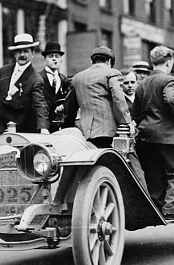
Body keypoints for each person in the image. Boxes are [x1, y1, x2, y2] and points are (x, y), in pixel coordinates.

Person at [63, 46, 148, 191]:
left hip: (88, 136)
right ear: (109, 61)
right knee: (135, 170)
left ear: (93, 61)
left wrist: (68, 127)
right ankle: (145, 207)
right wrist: (127, 124)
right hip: (111, 133)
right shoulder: (111, 73)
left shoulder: (78, 78)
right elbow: (118, 99)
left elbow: (69, 108)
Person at [132, 46, 174, 221]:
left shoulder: (142, 84)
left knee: (153, 172)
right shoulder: (167, 80)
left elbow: (136, 113)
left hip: (146, 136)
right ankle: (169, 210)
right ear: (169, 61)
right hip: (168, 136)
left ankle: (156, 208)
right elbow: (171, 99)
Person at [0, 33, 50, 141]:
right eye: (19, 52)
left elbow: (40, 105)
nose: (22, 55)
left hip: (16, 133)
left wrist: (43, 127)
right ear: (14, 54)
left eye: (26, 51)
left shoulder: (35, 79)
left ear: (32, 53)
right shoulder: (3, 71)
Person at [38, 41, 69, 131]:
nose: (54, 59)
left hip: (58, 125)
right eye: (51, 56)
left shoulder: (63, 79)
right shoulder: (38, 78)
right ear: (45, 59)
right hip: (42, 126)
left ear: (61, 60)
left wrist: (63, 106)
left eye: (57, 56)